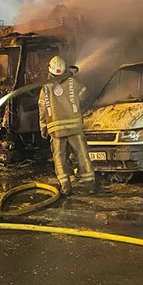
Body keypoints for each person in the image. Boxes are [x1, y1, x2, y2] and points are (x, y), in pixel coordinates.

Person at [38, 56, 97, 195]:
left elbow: (42, 109)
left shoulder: (45, 88)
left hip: (55, 129)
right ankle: (90, 185)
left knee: (60, 158)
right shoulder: (73, 82)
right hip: (74, 126)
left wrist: (43, 127)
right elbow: (85, 95)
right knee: (82, 154)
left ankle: (65, 186)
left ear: (50, 70)